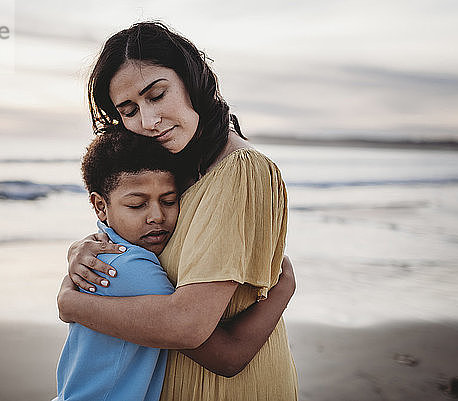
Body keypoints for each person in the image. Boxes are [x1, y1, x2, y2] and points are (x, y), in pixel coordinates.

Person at [58, 21, 298, 400]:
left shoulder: (240, 171)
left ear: (190, 79)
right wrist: (84, 248)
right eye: (129, 109)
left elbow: (188, 326)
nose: (148, 122)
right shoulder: (183, 170)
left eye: (157, 95)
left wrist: (72, 303)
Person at [56, 128, 292, 401]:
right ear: (100, 206)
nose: (156, 216)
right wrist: (284, 288)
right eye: (136, 205)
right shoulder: (133, 270)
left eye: (169, 201)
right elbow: (228, 356)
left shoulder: (101, 253)